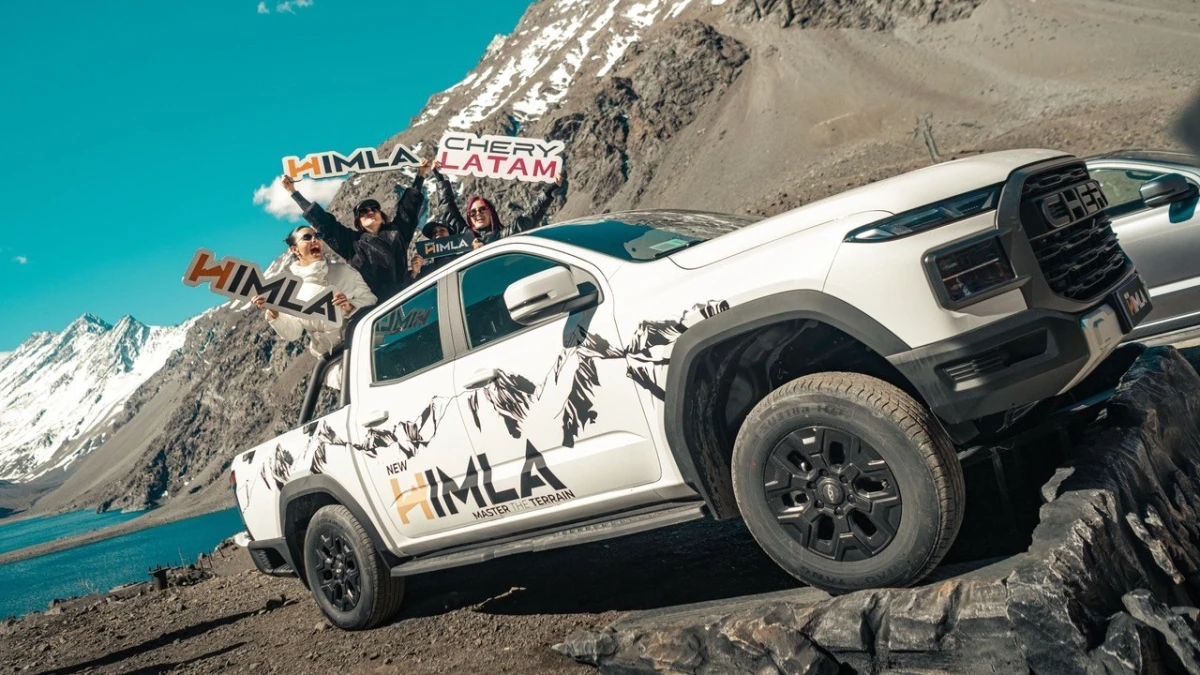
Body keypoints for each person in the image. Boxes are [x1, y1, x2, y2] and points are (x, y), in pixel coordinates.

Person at [282, 158, 434, 301]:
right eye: (363, 211)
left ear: (382, 215)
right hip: (377, 307)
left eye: (374, 209)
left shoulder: (397, 233)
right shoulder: (352, 243)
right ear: (359, 222)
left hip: (406, 297)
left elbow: (409, 208)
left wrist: (421, 173)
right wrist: (293, 192)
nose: (370, 212)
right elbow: (325, 223)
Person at [251, 225, 377, 361]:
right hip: (330, 361)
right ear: (294, 249)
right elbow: (293, 333)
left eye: (318, 236)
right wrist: (274, 312)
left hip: (364, 349)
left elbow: (371, 300)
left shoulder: (344, 272)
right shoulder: (291, 289)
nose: (314, 240)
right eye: (307, 237)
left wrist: (350, 306)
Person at [432, 166, 564, 246]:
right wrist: (439, 177)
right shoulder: (464, 237)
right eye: (472, 212)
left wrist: (549, 189)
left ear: (491, 212)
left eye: (482, 209)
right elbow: (447, 209)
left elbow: (529, 217)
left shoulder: (504, 235)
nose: (478, 214)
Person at [405, 220, 464, 286]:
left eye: (442, 230)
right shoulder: (426, 271)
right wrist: (414, 273)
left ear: (450, 234)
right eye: (434, 232)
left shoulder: (464, 257)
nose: (437, 233)